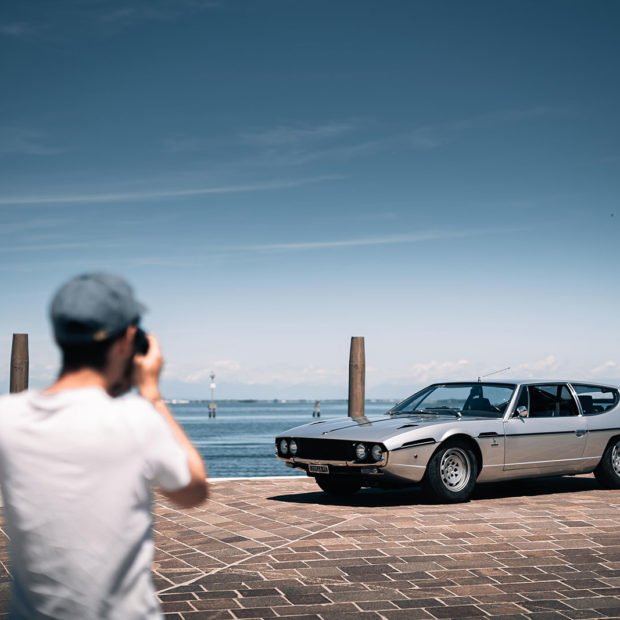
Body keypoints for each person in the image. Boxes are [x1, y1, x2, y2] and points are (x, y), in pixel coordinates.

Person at [0, 273, 208, 619]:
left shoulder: (7, 417)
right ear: (128, 338)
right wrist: (152, 395)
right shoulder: (138, 419)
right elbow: (194, 492)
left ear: (58, 336)